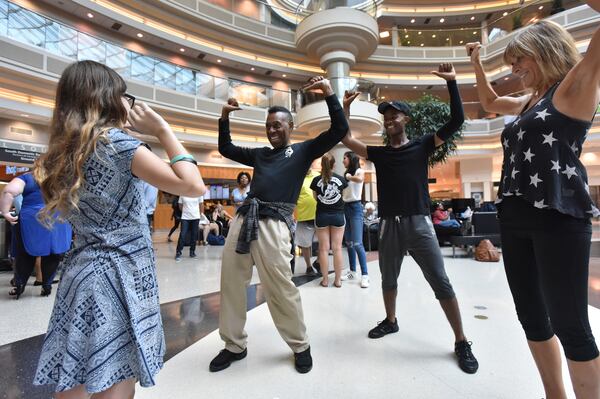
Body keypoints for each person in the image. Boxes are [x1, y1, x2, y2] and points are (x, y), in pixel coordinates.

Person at [30, 60, 205, 397]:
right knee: (117, 379)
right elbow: (193, 185)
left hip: (80, 275)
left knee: (76, 374)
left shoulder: (62, 153)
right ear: (107, 98)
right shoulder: (119, 146)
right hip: (121, 277)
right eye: (125, 95)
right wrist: (163, 129)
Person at [466, 6, 600, 396]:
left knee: (570, 323)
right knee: (532, 318)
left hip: (558, 216)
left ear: (544, 50)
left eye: (519, 59)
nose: (514, 68)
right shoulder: (528, 101)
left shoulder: (573, 87)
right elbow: (490, 104)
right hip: (516, 216)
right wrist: (477, 62)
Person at [342, 63, 479, 374]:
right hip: (390, 224)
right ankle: (391, 321)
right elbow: (347, 139)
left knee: (440, 281)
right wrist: (345, 108)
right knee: (388, 279)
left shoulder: (422, 146)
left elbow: (456, 120)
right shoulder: (379, 153)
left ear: (406, 119)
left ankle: (461, 340)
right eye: (386, 114)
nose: (389, 118)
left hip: (419, 222)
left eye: (395, 113)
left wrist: (453, 83)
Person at [210, 75, 348, 374]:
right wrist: (224, 118)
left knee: (281, 287)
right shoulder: (260, 154)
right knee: (232, 283)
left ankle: (300, 344)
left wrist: (328, 93)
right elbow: (226, 149)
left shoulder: (302, 151)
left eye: (278, 125)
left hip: (274, 224)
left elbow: (339, 129)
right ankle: (234, 344)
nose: (272, 130)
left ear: (290, 127)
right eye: (269, 126)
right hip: (245, 219)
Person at [0, 172, 72, 299]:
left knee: (25, 254)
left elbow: (9, 191)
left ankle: (19, 286)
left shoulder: (28, 177)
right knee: (53, 254)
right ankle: (47, 286)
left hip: (31, 218)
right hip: (57, 217)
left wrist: (5, 212)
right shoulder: (63, 177)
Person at [310, 153, 347, 287]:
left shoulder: (315, 180)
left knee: (323, 249)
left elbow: (315, 197)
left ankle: (325, 280)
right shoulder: (341, 180)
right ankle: (337, 280)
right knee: (337, 248)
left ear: (321, 165)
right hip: (338, 215)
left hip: (322, 216)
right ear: (334, 165)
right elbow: (344, 197)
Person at [341, 151, 369, 288]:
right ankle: (352, 271)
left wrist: (348, 176)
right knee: (349, 243)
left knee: (358, 243)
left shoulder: (359, 171)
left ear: (351, 159)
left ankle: (365, 275)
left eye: (344, 158)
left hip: (356, 207)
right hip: (345, 207)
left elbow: (359, 179)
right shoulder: (345, 175)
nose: (343, 160)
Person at [295, 168, 320, 275]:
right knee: (305, 244)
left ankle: (318, 262)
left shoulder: (317, 175)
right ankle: (309, 266)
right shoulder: (297, 176)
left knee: (323, 242)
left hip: (319, 214)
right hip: (303, 215)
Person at [175, 195, 204, 261]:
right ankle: (178, 252)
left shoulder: (198, 193)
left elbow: (201, 205)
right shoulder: (182, 193)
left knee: (194, 235)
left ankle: (192, 252)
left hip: (196, 217)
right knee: (183, 234)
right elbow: (180, 205)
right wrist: (186, 211)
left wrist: (200, 215)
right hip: (185, 217)